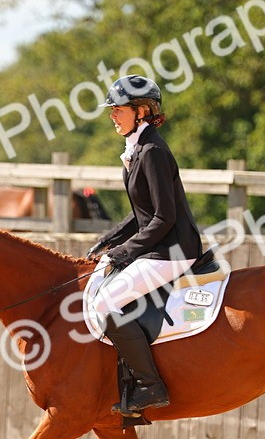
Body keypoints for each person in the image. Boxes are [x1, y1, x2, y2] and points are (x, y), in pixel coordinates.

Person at [87, 75, 204, 415]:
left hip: (174, 250)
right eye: (112, 110)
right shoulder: (138, 148)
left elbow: (163, 218)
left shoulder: (152, 151)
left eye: (118, 110)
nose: (113, 116)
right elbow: (141, 213)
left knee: (106, 304)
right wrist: (108, 240)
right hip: (159, 246)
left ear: (141, 111)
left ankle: (151, 386)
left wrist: (122, 252)